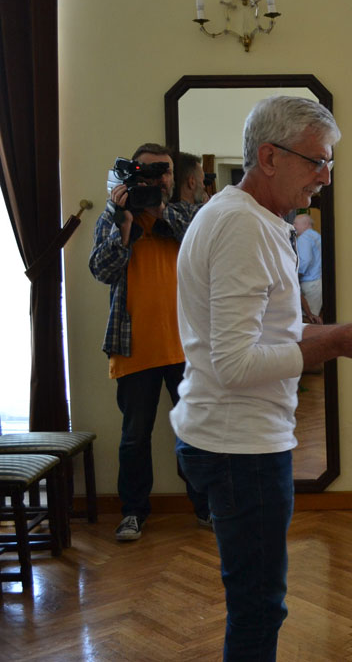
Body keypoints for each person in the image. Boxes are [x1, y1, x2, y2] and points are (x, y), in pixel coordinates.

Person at [172, 95, 352, 660]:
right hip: (240, 447)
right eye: (316, 161)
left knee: (257, 603)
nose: (325, 177)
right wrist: (335, 343)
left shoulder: (247, 218)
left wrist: (342, 335)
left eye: (329, 163)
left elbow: (266, 334)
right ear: (269, 157)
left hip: (235, 439)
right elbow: (236, 364)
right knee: (258, 608)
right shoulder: (242, 226)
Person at [88, 143, 210, 541]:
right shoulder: (115, 216)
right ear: (134, 174)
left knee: (195, 433)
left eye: (166, 171)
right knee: (134, 438)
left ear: (174, 177)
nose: (161, 179)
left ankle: (205, 507)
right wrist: (124, 227)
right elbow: (102, 271)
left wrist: (157, 212)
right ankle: (133, 512)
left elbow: (203, 251)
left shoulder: (188, 214)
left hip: (185, 347)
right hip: (133, 345)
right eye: (151, 172)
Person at [293, 212, 323, 320]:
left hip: (310, 283)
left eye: (296, 223)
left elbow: (305, 260)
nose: (293, 226)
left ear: (305, 224)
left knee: (309, 318)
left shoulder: (304, 238)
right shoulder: (317, 236)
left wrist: (295, 275)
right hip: (318, 281)